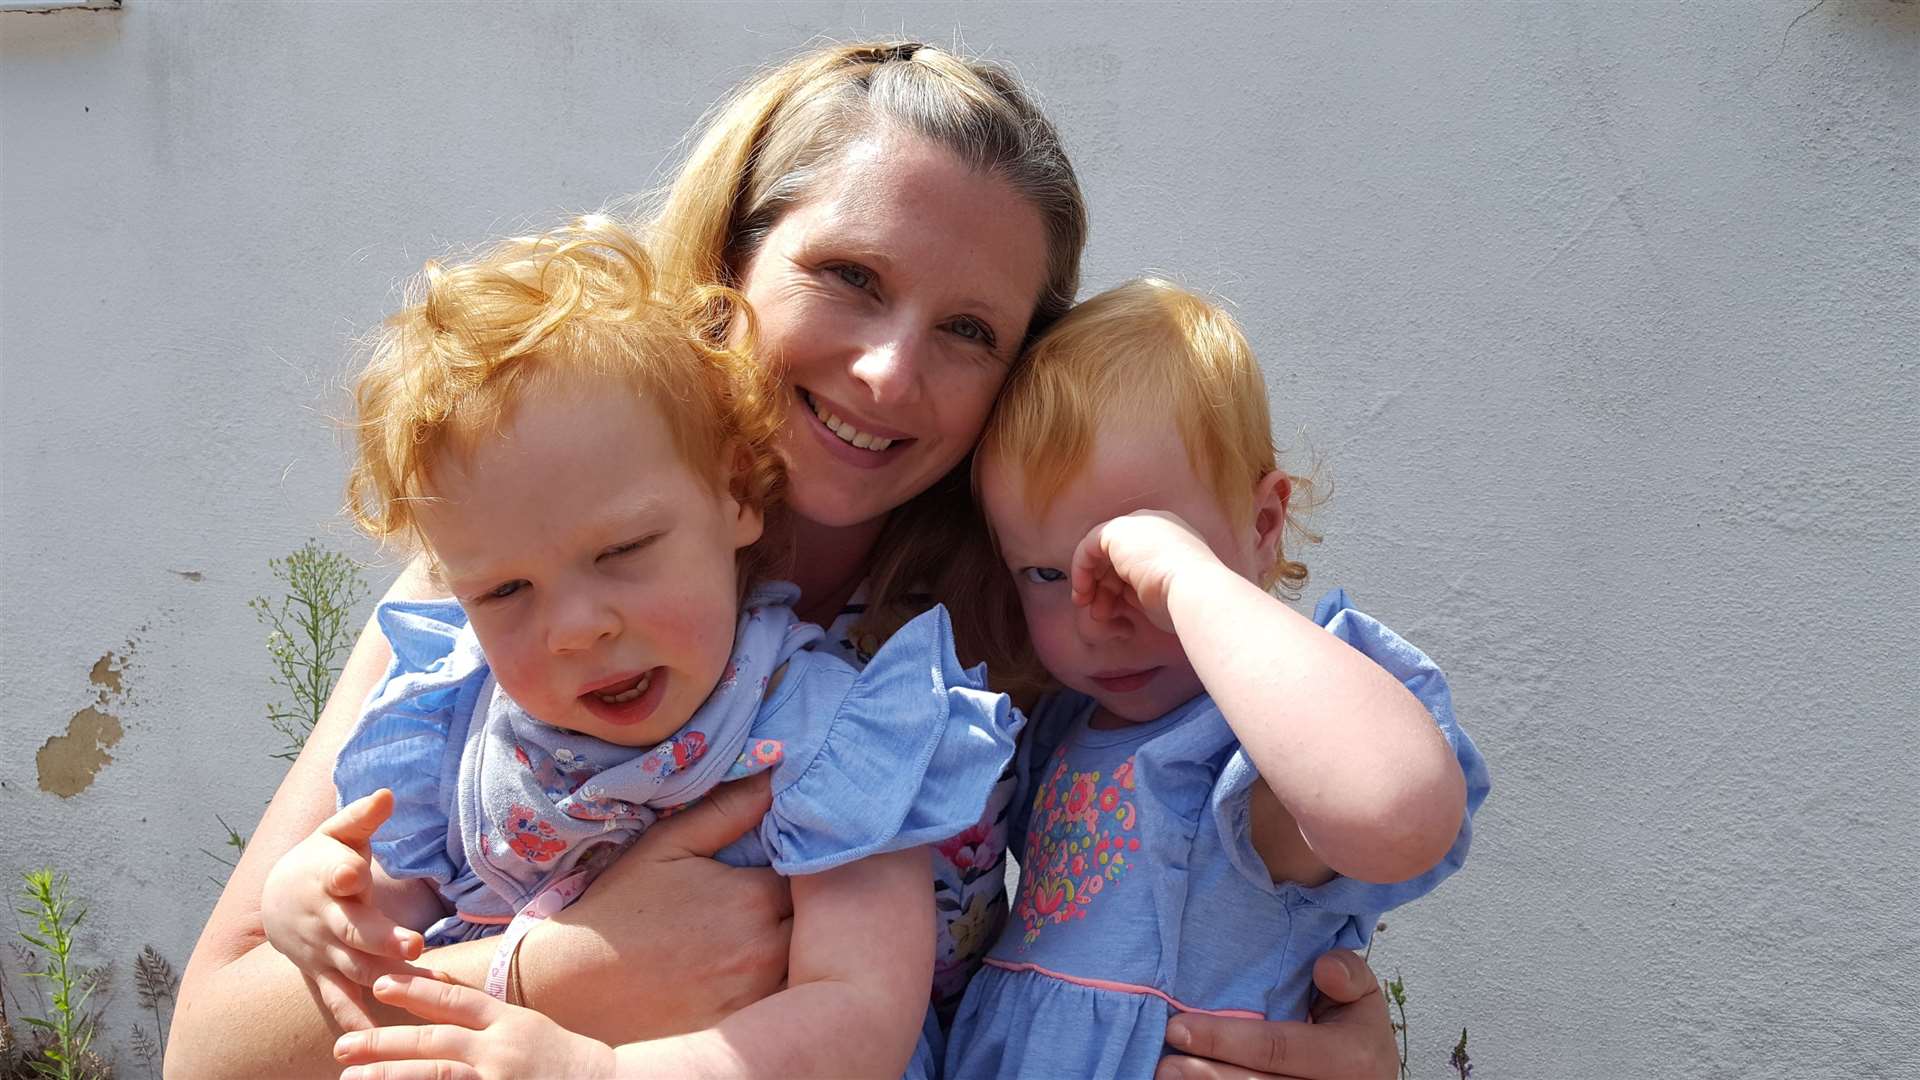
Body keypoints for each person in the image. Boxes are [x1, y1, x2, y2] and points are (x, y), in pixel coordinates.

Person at [171, 41, 1405, 1080]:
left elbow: (1225, 870)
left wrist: (1315, 1036)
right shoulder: (515, 573)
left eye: (969, 331)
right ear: (729, 267)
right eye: (850, 276)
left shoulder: (1029, 617)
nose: (887, 373)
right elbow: (211, 1052)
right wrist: (560, 968)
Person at [256, 216, 1018, 1077]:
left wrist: (603, 1073)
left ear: (735, 493)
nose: (577, 627)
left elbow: (859, 1020)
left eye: (620, 552)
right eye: (506, 591)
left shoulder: (828, 735)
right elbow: (389, 922)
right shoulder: (465, 730)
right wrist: (310, 897)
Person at [944, 280, 1490, 1077]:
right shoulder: (1061, 730)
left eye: (1138, 565)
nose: (1099, 618)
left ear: (1263, 525)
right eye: (1044, 573)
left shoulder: (1248, 749)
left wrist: (1187, 582)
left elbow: (1398, 811)